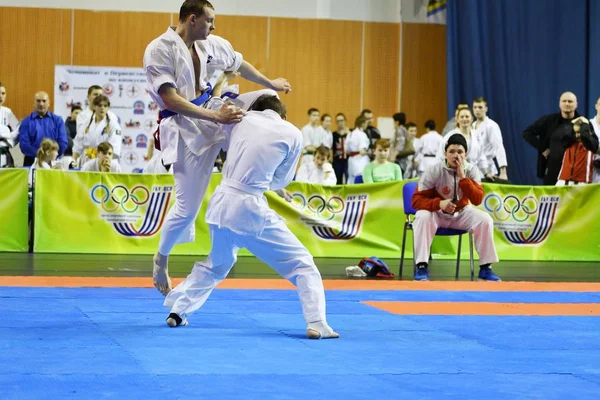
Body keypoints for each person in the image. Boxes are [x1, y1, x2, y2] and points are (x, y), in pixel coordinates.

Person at [144, 0, 291, 295]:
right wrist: (216, 116)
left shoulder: (210, 43)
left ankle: (272, 178)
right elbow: (171, 99)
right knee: (187, 210)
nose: (213, 26)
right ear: (193, 18)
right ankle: (160, 258)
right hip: (185, 128)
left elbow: (239, 63)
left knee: (264, 99)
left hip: (214, 110)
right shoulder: (160, 49)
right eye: (210, 20)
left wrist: (270, 82)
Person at [163, 95, 339, 339]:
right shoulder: (292, 132)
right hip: (248, 206)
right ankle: (317, 322)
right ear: (283, 116)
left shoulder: (238, 120)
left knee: (218, 263)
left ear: (254, 109)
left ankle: (178, 311)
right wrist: (263, 179)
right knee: (302, 264)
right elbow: (281, 179)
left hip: (220, 202)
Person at [412, 133, 501, 282]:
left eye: (460, 152)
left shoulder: (472, 170)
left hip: (461, 213)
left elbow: (477, 199)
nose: (455, 155)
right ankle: (421, 266)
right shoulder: (433, 170)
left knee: (485, 219)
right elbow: (416, 201)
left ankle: (486, 268)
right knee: (422, 216)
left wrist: (463, 178)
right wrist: (439, 204)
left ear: (465, 154)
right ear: (445, 154)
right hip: (437, 214)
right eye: (452, 152)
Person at [523, 92, 580, 185]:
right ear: (559, 103)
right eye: (564, 101)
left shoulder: (583, 122)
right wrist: (543, 148)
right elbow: (527, 133)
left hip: (575, 171)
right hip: (552, 169)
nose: (567, 104)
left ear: (576, 104)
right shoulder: (549, 120)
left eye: (570, 101)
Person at [18, 92, 68, 167]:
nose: (41, 104)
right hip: (31, 163)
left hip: (54, 162)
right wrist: (41, 156)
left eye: (44, 101)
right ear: (33, 103)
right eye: (38, 101)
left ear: (49, 103)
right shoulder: (26, 122)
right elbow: (24, 145)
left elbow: (63, 143)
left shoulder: (58, 121)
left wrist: (51, 156)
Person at [72, 95, 122, 168]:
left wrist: (103, 160)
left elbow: (114, 147)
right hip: (87, 161)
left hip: (105, 162)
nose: (102, 108)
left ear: (108, 108)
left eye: (105, 106)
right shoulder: (87, 124)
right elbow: (77, 145)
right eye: (100, 105)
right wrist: (74, 162)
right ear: (94, 107)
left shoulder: (113, 125)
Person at [472, 97, 509, 181]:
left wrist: (503, 171)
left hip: (488, 167)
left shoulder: (491, 125)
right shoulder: (472, 126)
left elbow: (499, 147)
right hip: (474, 168)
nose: (477, 110)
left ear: (486, 108)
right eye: (475, 107)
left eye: (480, 107)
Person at [555, 117, 599, 186]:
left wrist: (585, 124)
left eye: (579, 132)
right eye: (575, 133)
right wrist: (572, 123)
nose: (577, 135)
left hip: (583, 183)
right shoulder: (568, 142)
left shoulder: (591, 144)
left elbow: (585, 137)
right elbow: (565, 138)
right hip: (563, 181)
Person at [345, 116, 370, 184]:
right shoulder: (362, 134)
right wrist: (370, 153)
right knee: (361, 179)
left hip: (351, 160)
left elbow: (346, 151)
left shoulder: (350, 134)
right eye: (366, 123)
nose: (366, 125)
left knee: (351, 180)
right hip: (360, 161)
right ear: (362, 124)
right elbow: (362, 151)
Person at [0, 82, 20, 168]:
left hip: (4, 151)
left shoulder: (7, 112)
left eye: (3, 93)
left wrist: (9, 139)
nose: (0, 96)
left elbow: (18, 129)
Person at [331, 113, 350, 184]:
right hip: (337, 161)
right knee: (337, 179)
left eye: (342, 120)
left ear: (345, 121)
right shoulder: (333, 135)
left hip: (348, 160)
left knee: (348, 178)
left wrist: (349, 133)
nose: (340, 123)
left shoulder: (350, 133)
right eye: (338, 121)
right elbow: (330, 148)